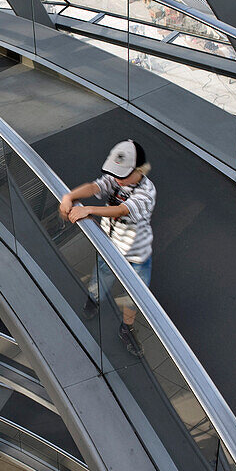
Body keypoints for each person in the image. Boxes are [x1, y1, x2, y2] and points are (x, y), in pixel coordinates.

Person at [59, 139, 156, 357]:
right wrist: (69, 196)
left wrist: (88, 210)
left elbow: (123, 210)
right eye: (116, 174)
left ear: (139, 170)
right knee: (100, 277)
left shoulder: (147, 191)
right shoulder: (116, 179)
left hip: (135, 256)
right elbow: (96, 186)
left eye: (123, 175)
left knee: (134, 296)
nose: (118, 179)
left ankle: (126, 328)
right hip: (109, 248)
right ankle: (93, 301)